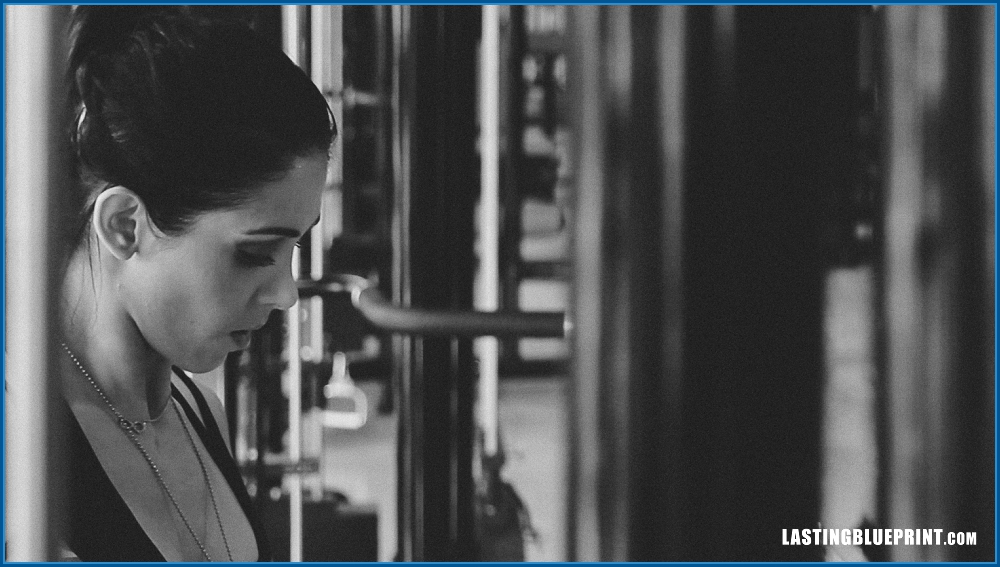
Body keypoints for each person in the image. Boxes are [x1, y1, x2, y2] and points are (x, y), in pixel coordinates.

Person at [57, 6, 335, 561]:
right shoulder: (21, 456)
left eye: (295, 247)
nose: (286, 294)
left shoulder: (198, 409)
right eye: (256, 253)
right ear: (124, 226)